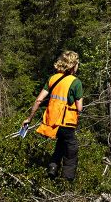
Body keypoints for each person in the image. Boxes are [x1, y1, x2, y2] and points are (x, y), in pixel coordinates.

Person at [23, 51, 83, 181]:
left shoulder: (52, 78)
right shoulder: (76, 82)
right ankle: (67, 179)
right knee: (72, 150)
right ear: (73, 65)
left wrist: (29, 118)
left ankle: (52, 169)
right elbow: (80, 108)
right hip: (67, 123)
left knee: (61, 144)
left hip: (52, 122)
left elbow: (38, 100)